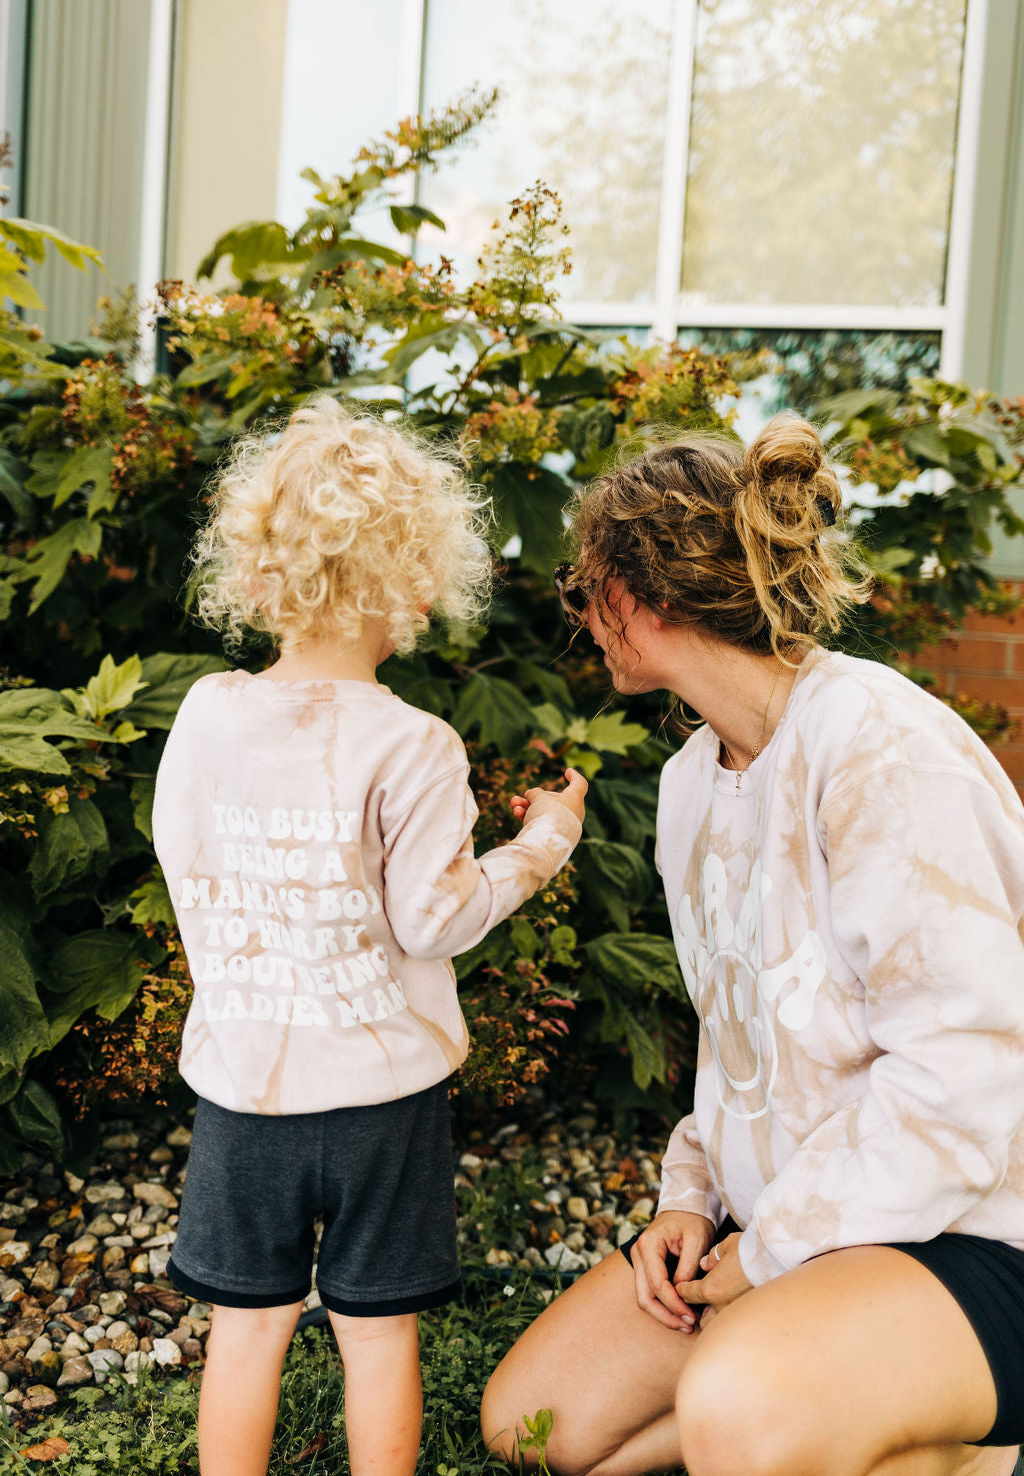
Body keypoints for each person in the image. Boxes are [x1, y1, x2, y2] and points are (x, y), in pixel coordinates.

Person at [482, 414, 1024, 1476]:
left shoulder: (882, 752)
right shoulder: (693, 780)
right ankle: (830, 1415)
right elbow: (734, 1044)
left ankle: (935, 1439)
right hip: (787, 1216)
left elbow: (971, 1077)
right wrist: (692, 1203)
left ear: (638, 595)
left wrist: (766, 1255)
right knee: (533, 1425)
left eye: (577, 589)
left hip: (970, 1229)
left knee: (740, 1405)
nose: (579, 618)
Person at [152, 396, 587, 1476]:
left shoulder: (204, 714)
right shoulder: (415, 744)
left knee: (244, 1328)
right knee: (377, 1334)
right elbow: (433, 918)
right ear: (417, 577)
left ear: (258, 571)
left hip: (242, 1092)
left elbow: (184, 858)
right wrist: (543, 844)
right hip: (380, 1106)